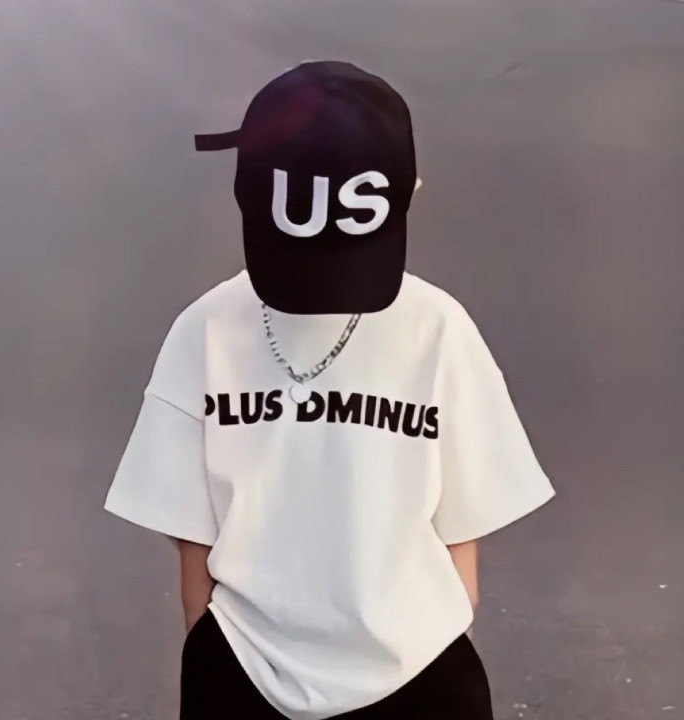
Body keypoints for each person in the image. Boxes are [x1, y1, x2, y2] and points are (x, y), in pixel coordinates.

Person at [104, 60, 555, 720]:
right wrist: (212, 655)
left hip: (405, 671)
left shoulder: (434, 327)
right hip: (261, 668)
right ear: (411, 189)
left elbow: (189, 536)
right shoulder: (209, 329)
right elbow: (464, 527)